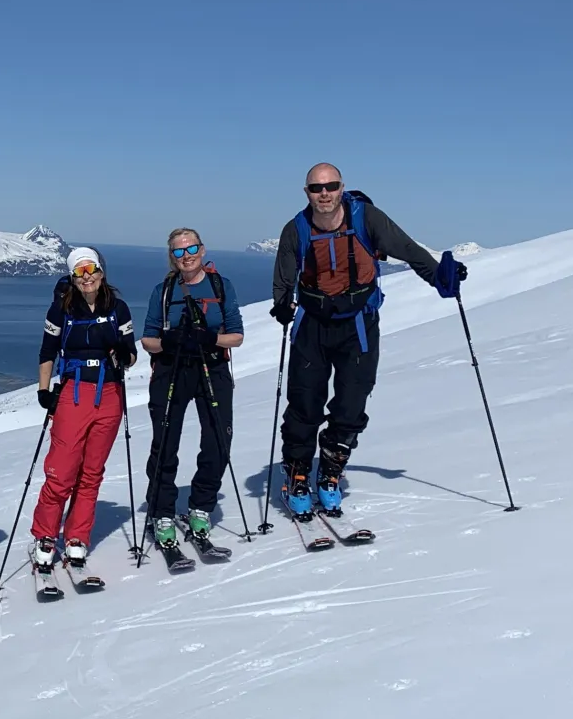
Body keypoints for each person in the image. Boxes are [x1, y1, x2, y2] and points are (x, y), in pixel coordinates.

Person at [268, 162, 466, 520]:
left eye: (331, 186)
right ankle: (297, 474)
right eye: (316, 188)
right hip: (312, 325)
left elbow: (408, 249)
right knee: (304, 404)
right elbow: (283, 277)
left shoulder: (367, 219)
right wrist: (282, 305)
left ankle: (330, 472)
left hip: (358, 324)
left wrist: (441, 277)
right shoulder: (295, 229)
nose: (324, 194)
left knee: (351, 405)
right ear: (307, 192)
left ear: (342, 188)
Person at [31, 247, 138, 573]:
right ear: (74, 278)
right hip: (74, 393)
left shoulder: (118, 308)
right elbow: (48, 351)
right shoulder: (60, 310)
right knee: (61, 472)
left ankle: (77, 537)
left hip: (109, 395)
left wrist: (123, 352)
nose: (87, 275)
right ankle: (45, 535)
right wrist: (43, 390)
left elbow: (131, 355)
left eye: (91, 269)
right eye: (80, 272)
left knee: (91, 472)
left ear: (101, 272)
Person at [140, 228, 243, 552]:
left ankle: (201, 506)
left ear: (202, 248)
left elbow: (237, 335)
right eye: (180, 251)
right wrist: (167, 342)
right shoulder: (164, 290)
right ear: (172, 255)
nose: (187, 256)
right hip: (172, 368)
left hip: (210, 366)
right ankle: (162, 512)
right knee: (165, 444)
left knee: (217, 439)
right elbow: (147, 339)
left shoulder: (220, 286)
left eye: (192, 248)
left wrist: (210, 339)